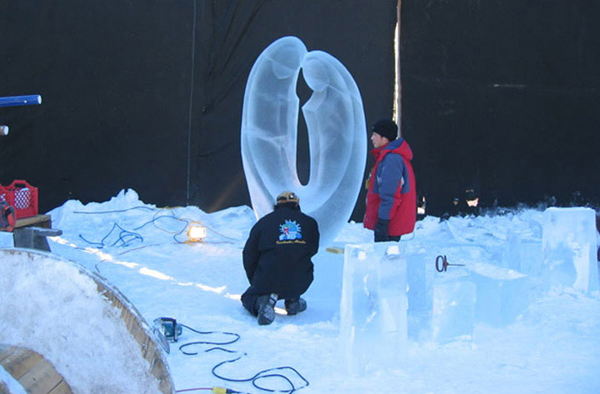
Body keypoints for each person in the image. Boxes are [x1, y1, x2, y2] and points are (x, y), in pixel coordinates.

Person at [241, 191, 320, 325]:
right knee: (293, 264)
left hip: (268, 279)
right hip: (301, 281)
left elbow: (248, 254)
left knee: (247, 297)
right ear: (297, 205)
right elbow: (312, 250)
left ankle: (262, 303)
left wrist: (255, 281)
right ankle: (293, 300)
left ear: (277, 205)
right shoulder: (310, 223)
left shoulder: (264, 222)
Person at [363, 118, 417, 242]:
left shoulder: (391, 159)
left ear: (384, 137)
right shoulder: (388, 157)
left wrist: (383, 223)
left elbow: (390, 195)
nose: (372, 138)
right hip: (390, 223)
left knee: (385, 260)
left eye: (375, 135)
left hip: (390, 225)